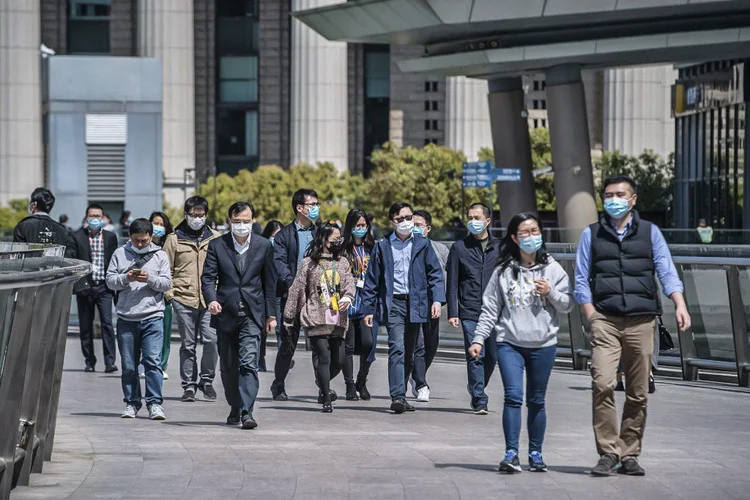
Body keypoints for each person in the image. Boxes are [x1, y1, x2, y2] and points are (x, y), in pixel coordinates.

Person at [575, 175, 691, 477]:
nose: (614, 199)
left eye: (620, 194)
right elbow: (580, 279)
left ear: (633, 199)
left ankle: (629, 453)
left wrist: (679, 303)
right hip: (605, 320)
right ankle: (608, 452)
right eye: (609, 194)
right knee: (602, 383)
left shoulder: (651, 233)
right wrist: (592, 315)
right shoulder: (592, 233)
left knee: (638, 392)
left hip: (642, 320)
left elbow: (666, 270)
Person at [469, 213, 574, 473]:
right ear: (515, 238)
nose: (531, 237)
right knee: (513, 397)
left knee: (537, 400)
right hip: (510, 343)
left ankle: (536, 453)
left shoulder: (553, 268)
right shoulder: (503, 271)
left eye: (535, 231)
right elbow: (490, 309)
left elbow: (569, 304)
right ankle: (511, 453)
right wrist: (479, 338)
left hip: (544, 344)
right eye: (525, 233)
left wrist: (551, 293)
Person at [361, 202, 445, 414]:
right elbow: (372, 280)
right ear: (392, 222)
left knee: (410, 350)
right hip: (394, 304)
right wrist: (368, 309)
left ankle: (404, 394)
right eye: (401, 219)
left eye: (409, 218)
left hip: (416, 303)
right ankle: (397, 396)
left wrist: (437, 300)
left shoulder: (422, 244)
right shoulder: (383, 245)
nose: (407, 222)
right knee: (396, 347)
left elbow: (435, 274)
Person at [201, 202, 276, 429]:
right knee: (228, 365)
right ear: (229, 221)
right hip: (226, 313)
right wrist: (212, 299)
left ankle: (247, 411)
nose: (242, 225)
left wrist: (271, 315)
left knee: (248, 363)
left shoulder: (263, 245)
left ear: (252, 220)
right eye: (237, 221)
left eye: (246, 221)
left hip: (252, 314)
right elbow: (208, 278)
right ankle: (234, 405)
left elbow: (269, 283)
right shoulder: (217, 245)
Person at [283, 221, 355, 412]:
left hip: (338, 317)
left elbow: (349, 284)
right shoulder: (308, 263)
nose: (338, 242)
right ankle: (326, 398)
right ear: (323, 239)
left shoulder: (343, 262)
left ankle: (322, 382)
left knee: (338, 360)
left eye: (339, 239)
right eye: (334, 239)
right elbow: (296, 290)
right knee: (323, 356)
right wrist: (289, 317)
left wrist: (348, 297)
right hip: (315, 315)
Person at [105, 218, 172, 420]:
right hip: (127, 317)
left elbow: (166, 284)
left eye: (144, 240)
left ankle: (155, 403)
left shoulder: (160, 255)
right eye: (136, 241)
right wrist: (127, 278)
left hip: (153, 316)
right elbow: (110, 281)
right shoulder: (119, 253)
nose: (140, 244)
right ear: (130, 237)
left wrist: (149, 279)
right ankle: (131, 402)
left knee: (152, 362)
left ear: (151, 237)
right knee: (129, 364)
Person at [162, 196, 221, 403]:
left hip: (209, 299)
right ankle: (188, 385)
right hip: (183, 298)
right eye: (193, 215)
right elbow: (165, 268)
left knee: (211, 340)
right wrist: (170, 294)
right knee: (188, 344)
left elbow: (222, 267)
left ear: (206, 215)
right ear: (186, 214)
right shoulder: (174, 238)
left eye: (201, 215)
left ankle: (206, 380)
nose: (197, 218)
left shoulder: (215, 237)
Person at [446, 203, 501, 415]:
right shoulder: (459, 247)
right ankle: (479, 398)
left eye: (477, 218)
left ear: (487, 221)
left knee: (493, 356)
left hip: (495, 311)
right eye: (470, 217)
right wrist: (453, 311)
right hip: (469, 310)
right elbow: (452, 282)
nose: (473, 221)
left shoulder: (500, 247)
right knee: (476, 354)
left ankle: (476, 385)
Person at [271, 188, 320, 401]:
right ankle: (278, 384)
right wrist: (293, 285)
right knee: (287, 345)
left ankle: (323, 387)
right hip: (291, 297)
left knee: (321, 344)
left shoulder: (320, 233)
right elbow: (280, 263)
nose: (316, 208)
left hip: (317, 298)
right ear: (299, 208)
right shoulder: (283, 236)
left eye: (317, 204)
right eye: (312, 204)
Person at [69, 204, 119, 372]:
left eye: (98, 216)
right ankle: (89, 361)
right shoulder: (77, 236)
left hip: (104, 287)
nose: (95, 219)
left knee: (107, 324)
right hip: (85, 287)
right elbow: (73, 260)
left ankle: (110, 361)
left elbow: (113, 261)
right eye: (92, 216)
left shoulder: (111, 237)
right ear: (86, 218)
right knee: (85, 325)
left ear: (103, 218)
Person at [410, 209, 449, 401]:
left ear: (428, 228)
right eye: (412, 225)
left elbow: (445, 277)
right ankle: (421, 383)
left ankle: (416, 373)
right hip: (413, 304)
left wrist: (442, 300)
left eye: (419, 225)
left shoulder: (440, 250)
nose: (415, 229)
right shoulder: (405, 247)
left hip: (433, 304)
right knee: (419, 344)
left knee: (432, 344)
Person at [340, 209, 376, 400]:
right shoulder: (343, 249)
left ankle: (362, 379)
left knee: (369, 343)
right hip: (348, 302)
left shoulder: (372, 247)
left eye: (363, 226)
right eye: (357, 226)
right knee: (349, 346)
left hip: (366, 302)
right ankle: (349, 385)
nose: (360, 229)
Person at [150, 212, 175, 379]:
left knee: (164, 333)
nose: (157, 227)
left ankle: (161, 365)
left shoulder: (170, 244)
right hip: (148, 295)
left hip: (165, 295)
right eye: (154, 223)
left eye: (161, 224)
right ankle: (147, 363)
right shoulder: (142, 244)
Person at [260, 220, 284, 372]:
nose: (276, 239)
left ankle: (282, 361)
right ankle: (259, 360)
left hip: (280, 293)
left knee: (281, 329)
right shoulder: (261, 250)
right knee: (263, 330)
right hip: (264, 294)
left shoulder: (284, 252)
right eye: (273, 236)